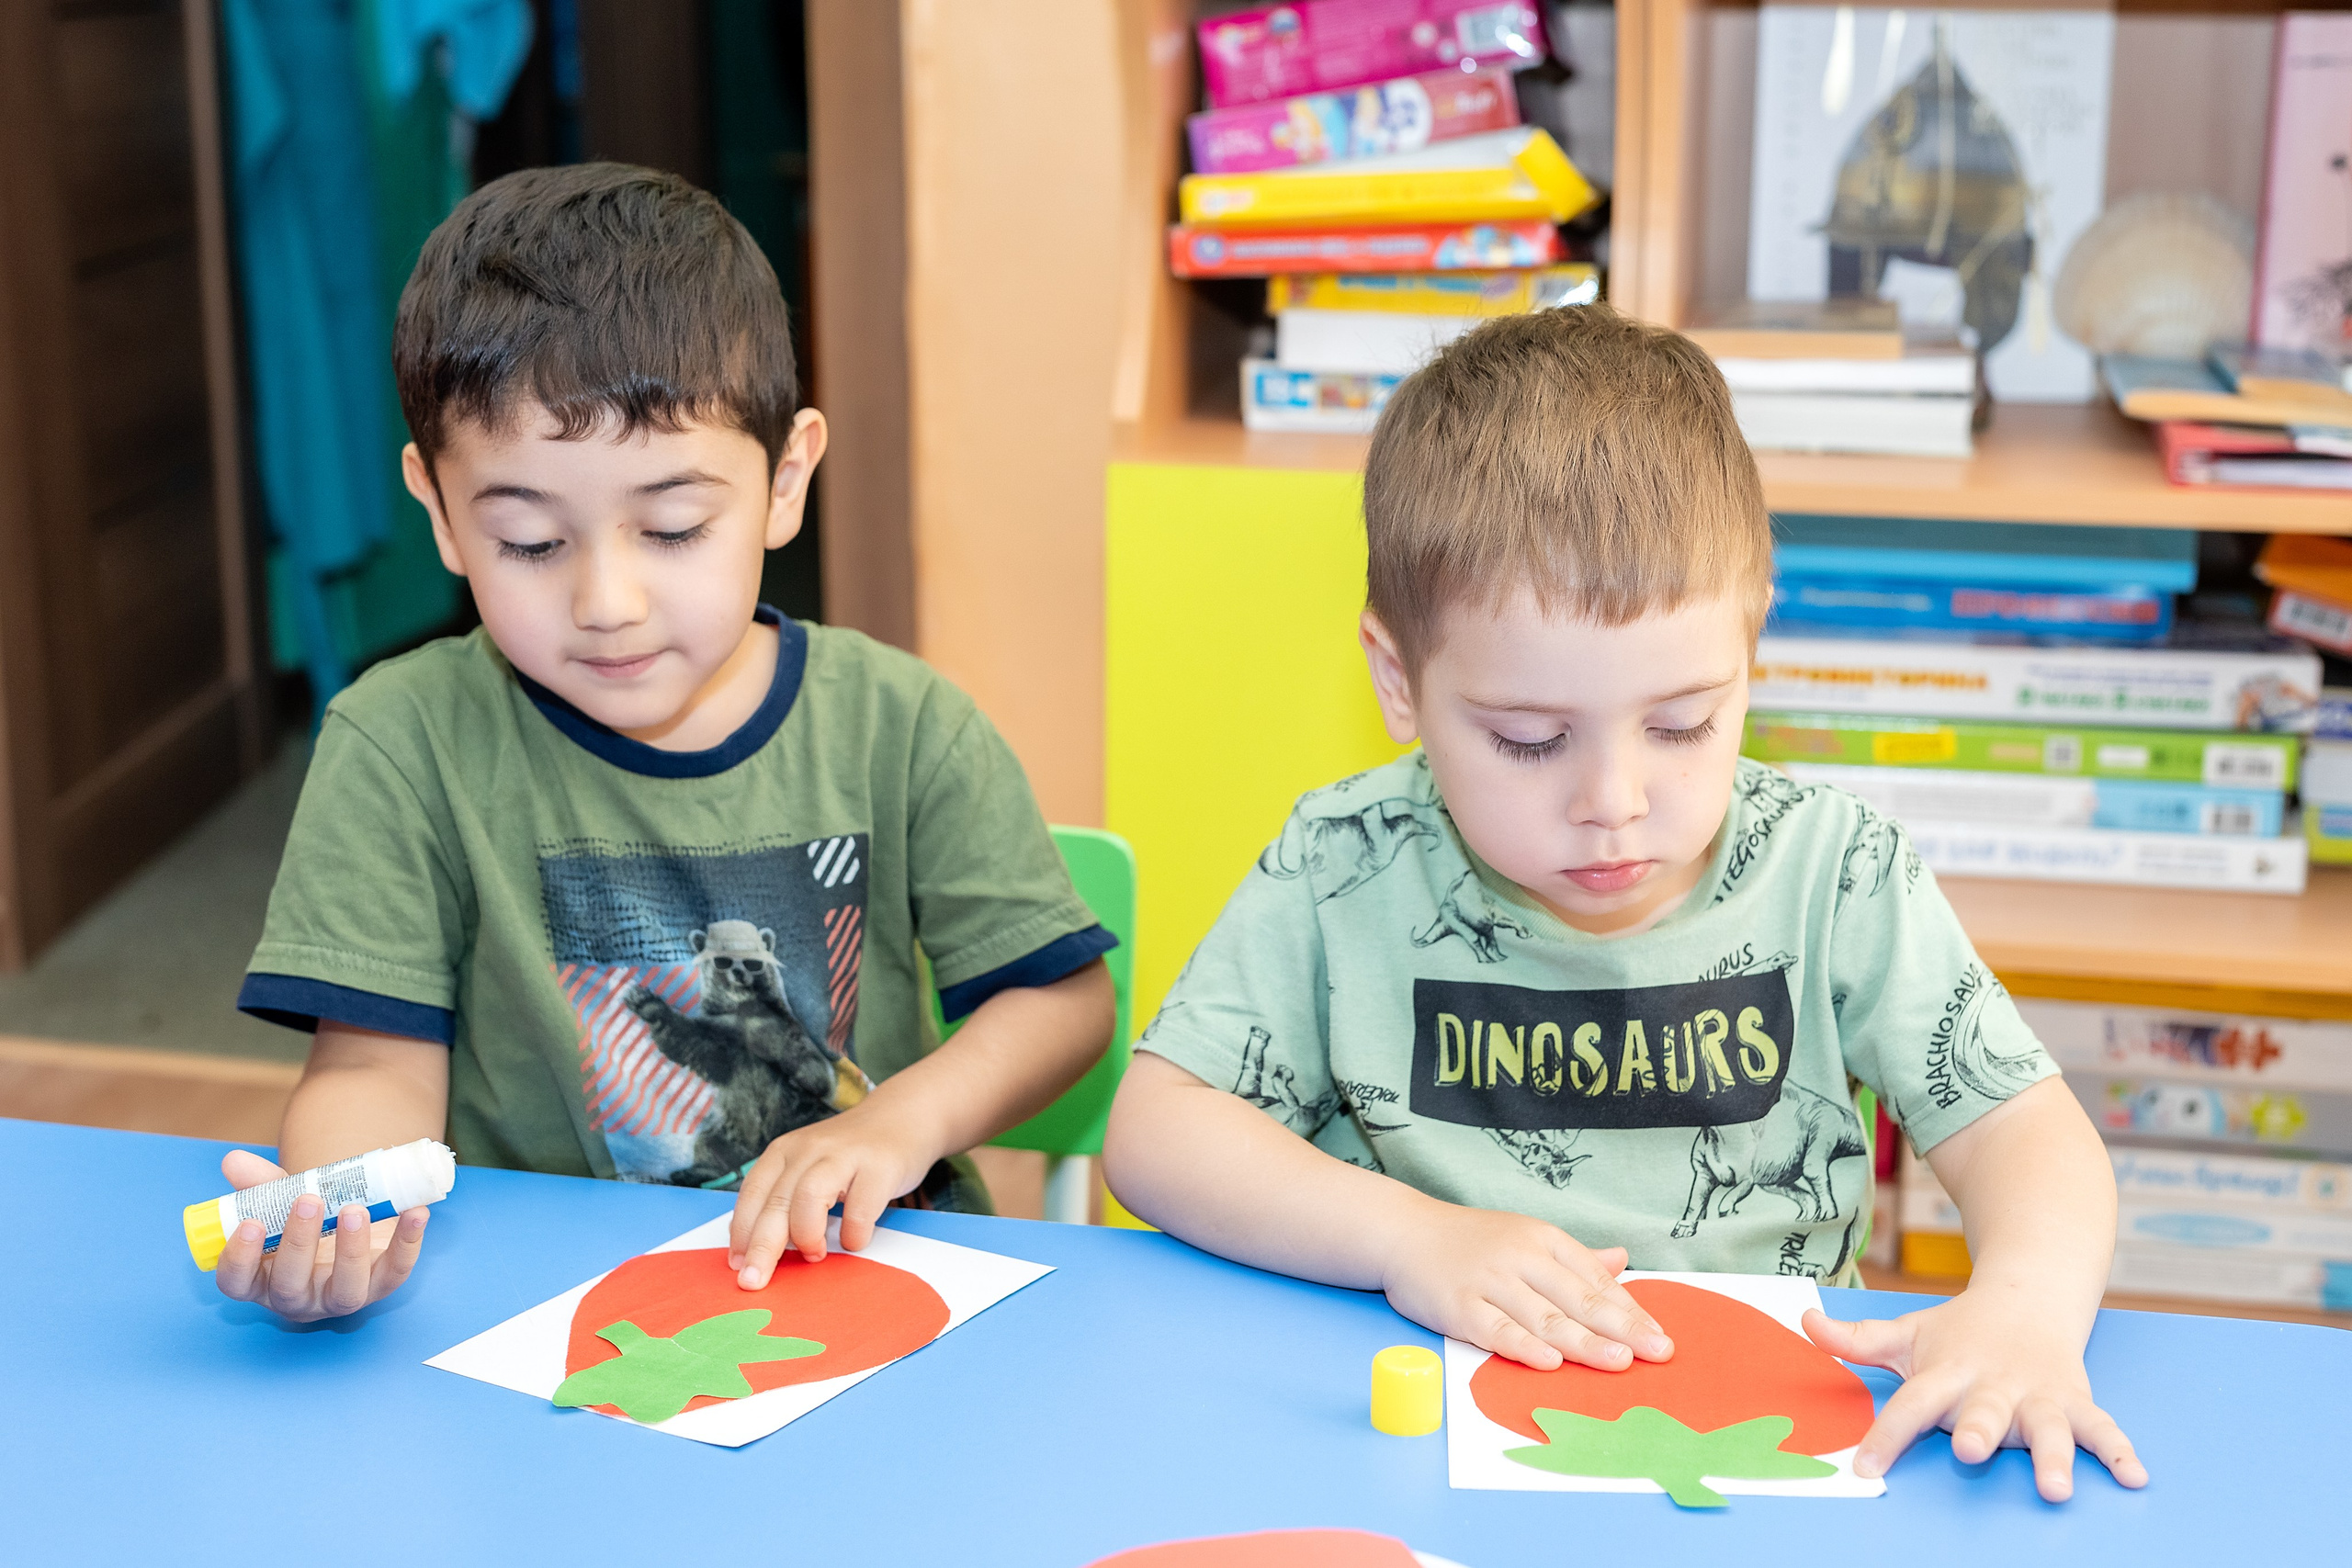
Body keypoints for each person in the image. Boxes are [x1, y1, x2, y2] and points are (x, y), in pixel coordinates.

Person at [1102, 305, 2144, 1504]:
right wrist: (1410, 1237)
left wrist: (2023, 1309)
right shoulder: (1348, 861)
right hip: (1409, 1434)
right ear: (1401, 681)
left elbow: (2027, 1131)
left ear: (1754, 642)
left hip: (1765, 1437)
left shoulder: (1833, 868)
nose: (1614, 800)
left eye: (1682, 723)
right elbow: (1158, 1127)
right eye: (1530, 739)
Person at [220, 164, 1114, 1323]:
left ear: (786, 479)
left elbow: (1063, 1005)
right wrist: (340, 1216)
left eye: (675, 527)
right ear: (440, 513)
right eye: (531, 542)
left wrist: (901, 1123)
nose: (608, 600)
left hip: (881, 1286)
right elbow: (373, 1068)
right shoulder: (402, 745)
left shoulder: (902, 728)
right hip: (546, 1313)